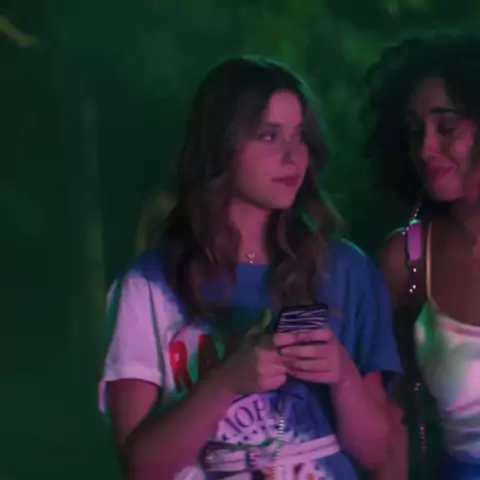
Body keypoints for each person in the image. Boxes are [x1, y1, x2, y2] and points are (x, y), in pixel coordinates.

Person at [99, 56, 401, 480]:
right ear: (220, 146)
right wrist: (224, 383)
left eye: (300, 136)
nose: (292, 156)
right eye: (269, 135)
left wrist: (343, 377)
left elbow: (375, 452)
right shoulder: (149, 284)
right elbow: (142, 469)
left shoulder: (346, 270)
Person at [364, 35, 480, 480]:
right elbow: (391, 416)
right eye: (415, 133)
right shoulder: (407, 261)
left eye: (446, 128)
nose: (426, 149)